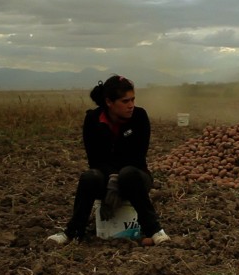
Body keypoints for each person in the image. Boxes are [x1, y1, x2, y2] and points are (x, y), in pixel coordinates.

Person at [48, 75, 170, 246]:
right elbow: (95, 160)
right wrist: (112, 180)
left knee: (128, 174)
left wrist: (116, 180)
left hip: (136, 177)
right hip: (106, 177)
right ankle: (73, 232)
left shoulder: (140, 117)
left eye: (133, 99)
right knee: (90, 177)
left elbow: (136, 157)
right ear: (109, 102)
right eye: (125, 101)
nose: (131, 105)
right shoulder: (93, 120)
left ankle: (154, 230)